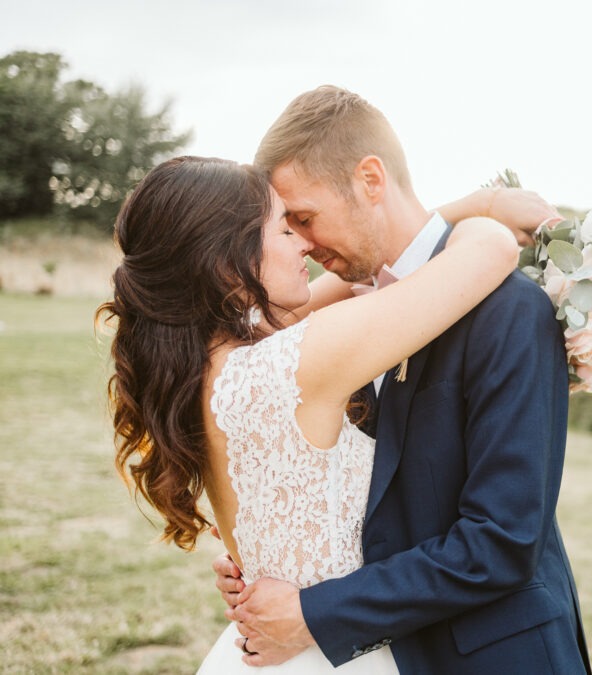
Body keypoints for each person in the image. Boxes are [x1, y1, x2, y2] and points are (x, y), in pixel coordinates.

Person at [99, 154, 559, 673]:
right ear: (227, 260)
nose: (306, 244)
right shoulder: (294, 362)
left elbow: (381, 267)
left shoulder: (201, 367)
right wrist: (487, 215)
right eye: (283, 228)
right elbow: (490, 251)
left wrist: (465, 203)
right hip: (338, 653)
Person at [212, 85, 592, 674]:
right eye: (289, 227)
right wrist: (274, 561)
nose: (305, 247)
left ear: (370, 180)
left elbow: (504, 540)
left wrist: (316, 610)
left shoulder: (510, 309)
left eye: (306, 218)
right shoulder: (339, 329)